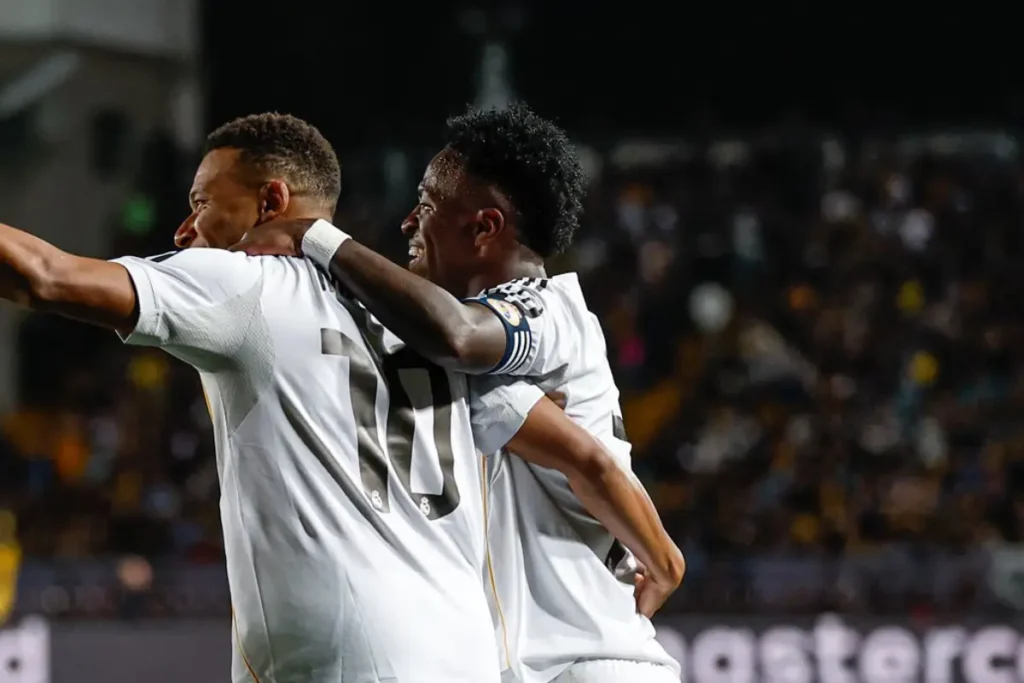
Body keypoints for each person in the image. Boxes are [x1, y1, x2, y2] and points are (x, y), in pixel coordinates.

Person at [0, 113, 507, 683]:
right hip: (469, 651)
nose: (184, 230)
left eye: (202, 203)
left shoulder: (243, 283)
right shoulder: (425, 317)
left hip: (346, 658)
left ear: (271, 201)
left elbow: (43, 276)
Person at [235, 104, 685, 683]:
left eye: (425, 205)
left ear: (484, 227)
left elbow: (465, 341)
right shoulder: (474, 372)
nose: (406, 224)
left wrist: (316, 236)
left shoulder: (550, 313)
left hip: (586, 661)